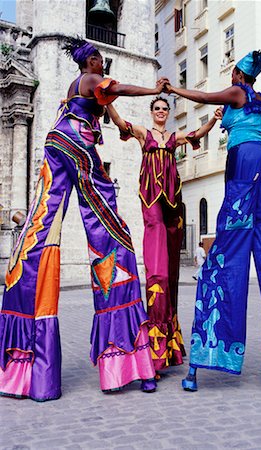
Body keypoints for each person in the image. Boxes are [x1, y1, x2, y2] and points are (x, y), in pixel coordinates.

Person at [0, 37, 168, 401]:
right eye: (100, 61)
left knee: (39, 225)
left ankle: (23, 362)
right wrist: (152, 88)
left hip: (56, 143)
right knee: (115, 237)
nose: (103, 66)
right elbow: (115, 89)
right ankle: (126, 358)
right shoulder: (91, 80)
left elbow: (108, 106)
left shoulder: (76, 90)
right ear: (89, 61)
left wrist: (122, 124)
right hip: (78, 147)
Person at [163, 50, 261, 390]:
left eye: (233, 72)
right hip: (260, 163)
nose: (230, 77)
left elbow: (205, 96)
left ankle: (206, 355)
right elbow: (215, 122)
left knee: (225, 256)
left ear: (240, 75)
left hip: (245, 162)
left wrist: (175, 91)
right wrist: (213, 121)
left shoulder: (238, 92)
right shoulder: (255, 100)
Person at [106, 98, 222, 377]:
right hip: (152, 200)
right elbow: (122, 123)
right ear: (152, 112)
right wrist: (108, 102)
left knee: (169, 275)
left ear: (168, 114)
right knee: (157, 273)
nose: (160, 112)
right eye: (157, 109)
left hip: (173, 202)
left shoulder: (173, 137)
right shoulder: (144, 134)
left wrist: (215, 119)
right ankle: (154, 353)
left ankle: (169, 347)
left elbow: (196, 134)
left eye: (164, 109)